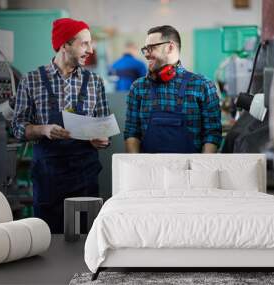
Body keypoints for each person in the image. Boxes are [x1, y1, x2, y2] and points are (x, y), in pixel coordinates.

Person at [12, 18, 110, 233]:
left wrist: (101, 139)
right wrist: (42, 129)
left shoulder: (94, 82)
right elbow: (18, 127)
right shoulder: (32, 80)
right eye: (84, 43)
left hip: (85, 174)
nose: (90, 50)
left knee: (87, 238)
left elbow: (104, 127)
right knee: (49, 237)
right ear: (65, 44)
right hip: (49, 175)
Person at [124, 25, 222, 153]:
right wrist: (136, 169)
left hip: (191, 170)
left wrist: (200, 170)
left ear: (170, 47)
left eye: (151, 48)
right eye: (145, 49)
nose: (146, 54)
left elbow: (212, 134)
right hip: (148, 171)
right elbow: (132, 132)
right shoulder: (138, 87)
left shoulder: (203, 86)